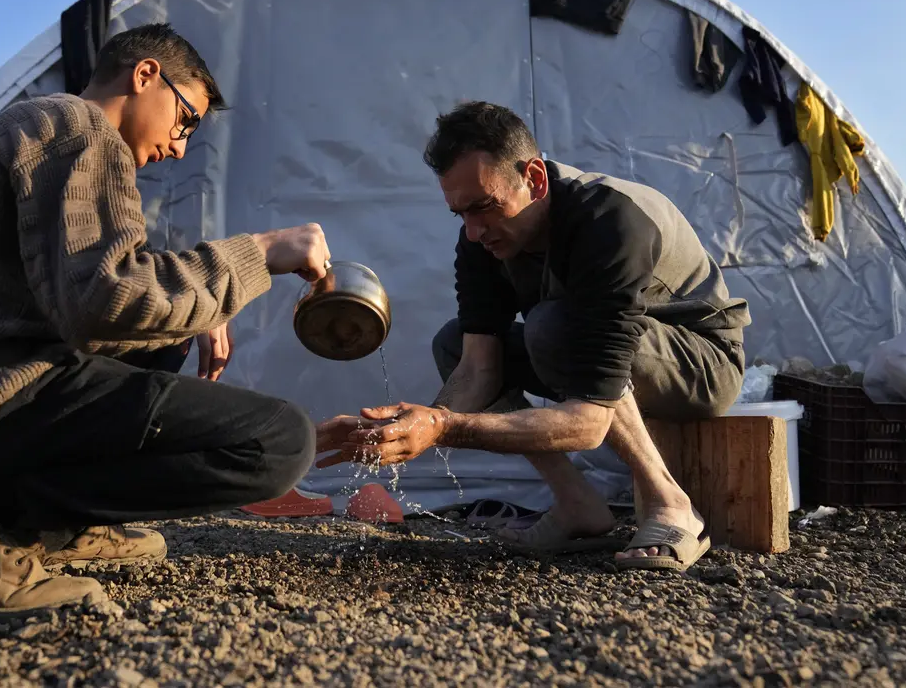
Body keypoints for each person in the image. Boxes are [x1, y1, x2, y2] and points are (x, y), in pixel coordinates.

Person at [0, 23, 331, 615]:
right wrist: (262, 252)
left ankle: (26, 516)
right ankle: (1, 537)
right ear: (145, 75)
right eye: (185, 118)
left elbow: (91, 290)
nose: (179, 146)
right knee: (280, 441)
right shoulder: (79, 127)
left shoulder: (46, 126)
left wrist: (196, 310)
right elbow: (104, 300)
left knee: (163, 341)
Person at [316, 101, 750, 571]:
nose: (475, 230)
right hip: (600, 347)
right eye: (459, 213)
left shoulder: (609, 221)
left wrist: (444, 428)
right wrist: (407, 426)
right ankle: (577, 505)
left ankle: (671, 504)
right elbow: (477, 368)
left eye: (484, 207)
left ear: (535, 180)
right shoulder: (481, 238)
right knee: (453, 341)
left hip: (704, 364)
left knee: (554, 325)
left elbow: (589, 422)